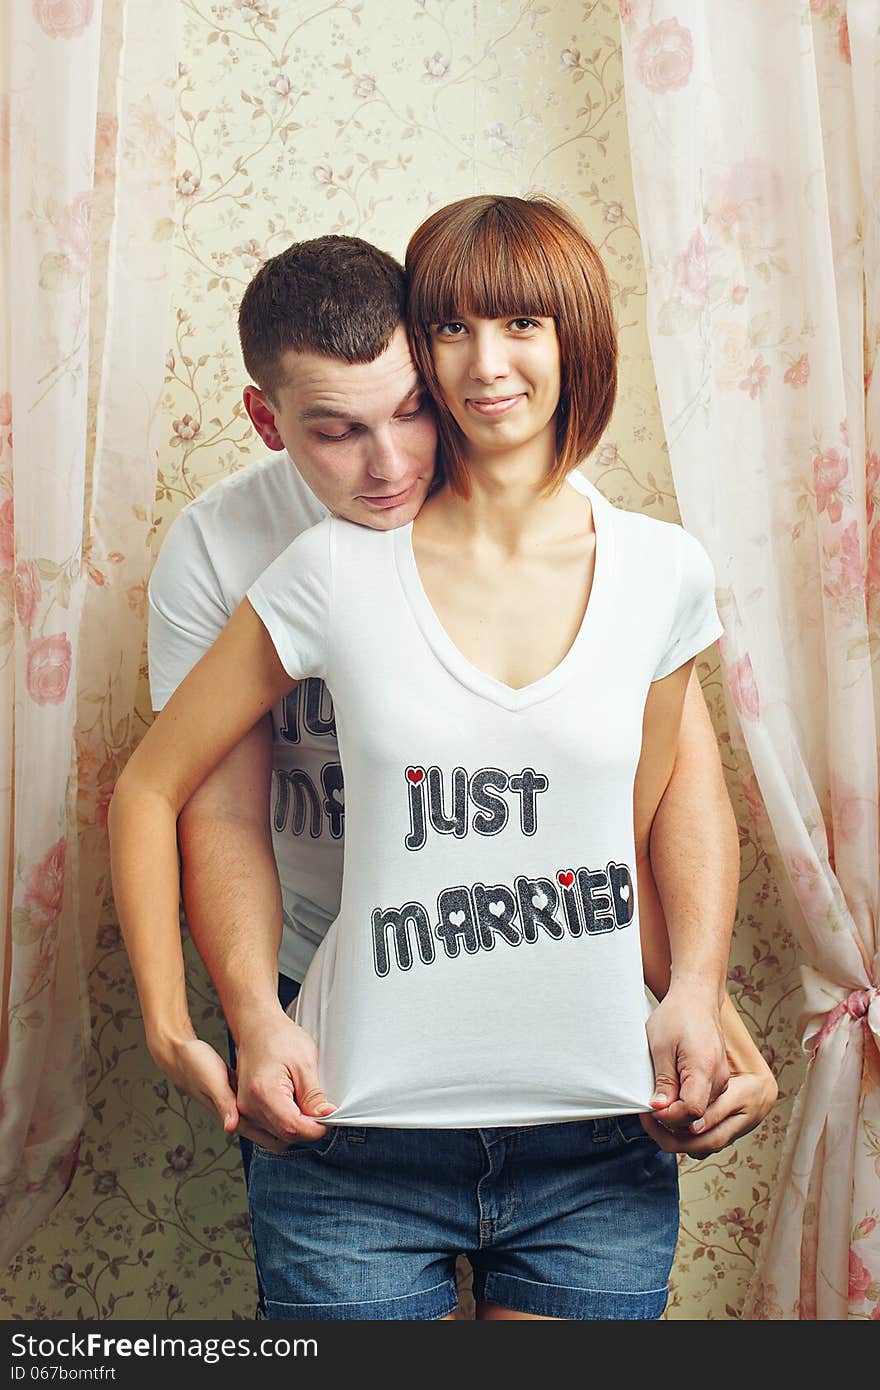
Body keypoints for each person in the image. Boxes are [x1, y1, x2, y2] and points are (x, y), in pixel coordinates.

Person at [112, 216, 776, 1319]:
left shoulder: (647, 565)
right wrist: (203, 1020)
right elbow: (190, 800)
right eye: (337, 432)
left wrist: (704, 1004)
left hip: (583, 1100)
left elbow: (631, 820)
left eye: (410, 407)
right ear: (268, 422)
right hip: (338, 1041)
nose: (392, 462)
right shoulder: (277, 560)